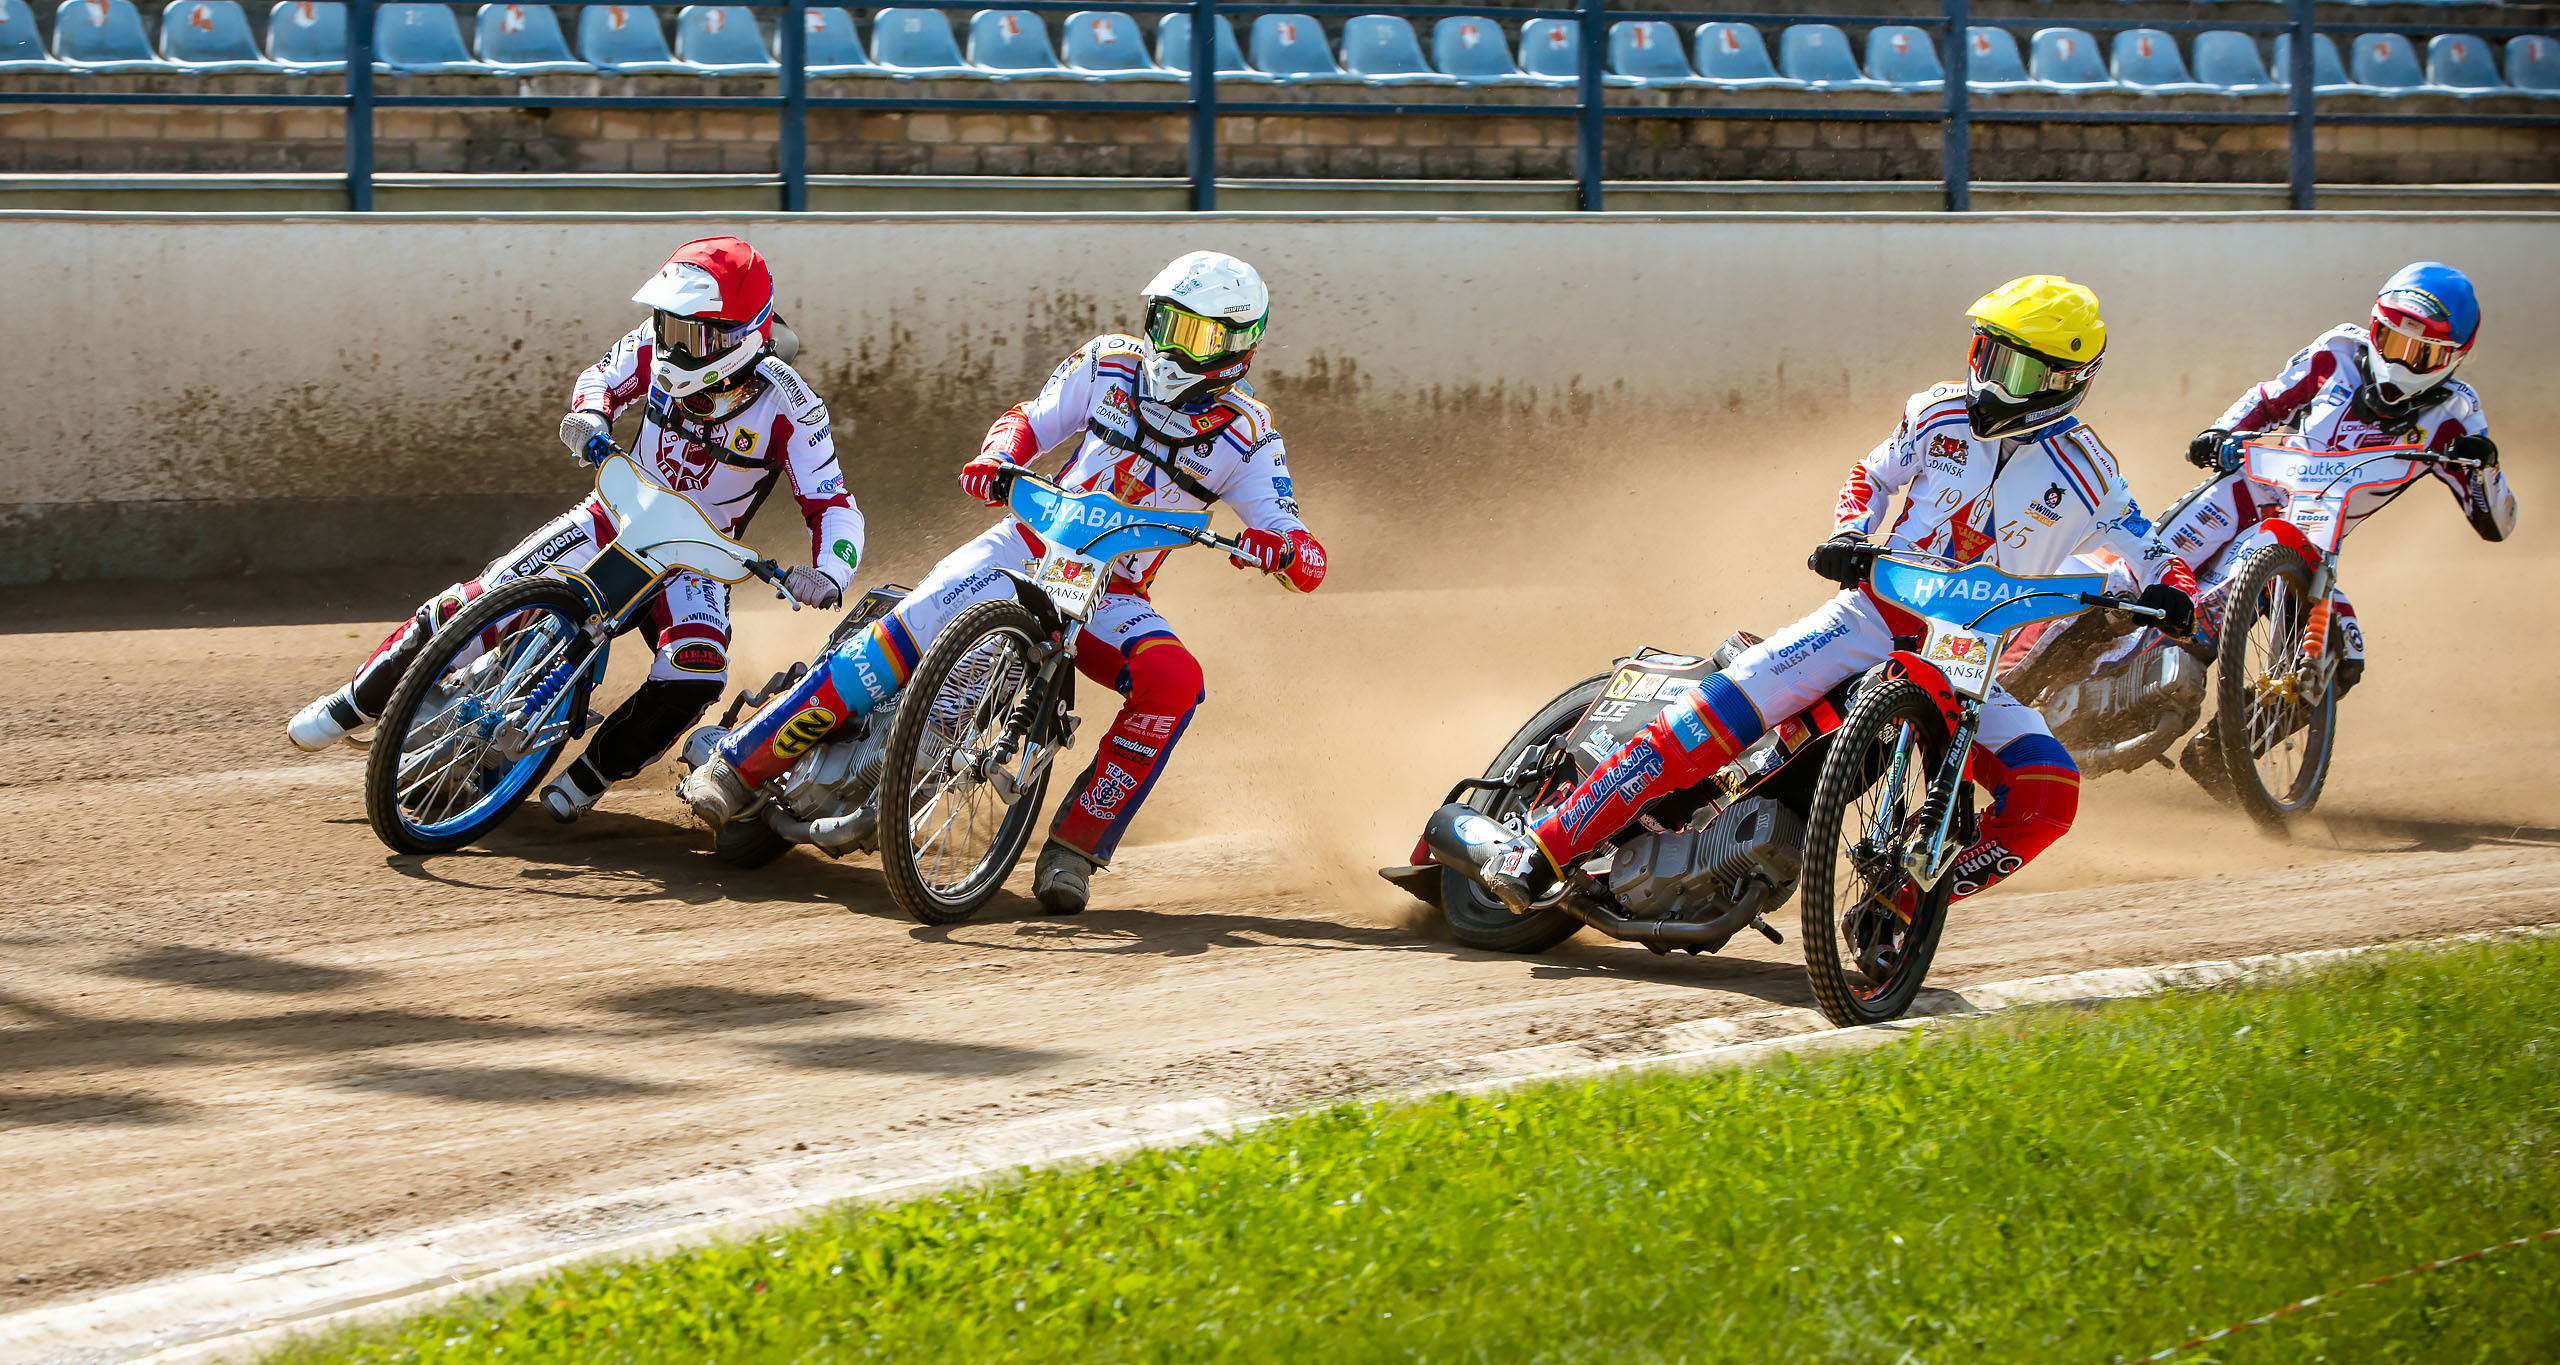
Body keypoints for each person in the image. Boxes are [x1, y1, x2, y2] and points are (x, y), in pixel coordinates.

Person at [1479, 274, 2197, 928]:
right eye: (1983, 351)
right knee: (1706, 721)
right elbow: (1870, 476)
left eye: (2009, 366)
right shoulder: (1936, 412)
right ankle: (1544, 844)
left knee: (2050, 792)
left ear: (2064, 382)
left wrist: (2176, 595)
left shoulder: (2092, 473)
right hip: (1867, 619)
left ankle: (1904, 894)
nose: (1985, 377)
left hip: (1966, 664)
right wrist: (1849, 531)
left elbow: (2154, 551)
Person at [679, 250, 1327, 915]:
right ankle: (736, 765)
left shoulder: (1250, 438)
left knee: (1176, 681)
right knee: (908, 626)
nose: (1168, 345)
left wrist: (1278, 549)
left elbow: (1301, 547)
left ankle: (1075, 848)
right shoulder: (1109, 362)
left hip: (1113, 593)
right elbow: (1032, 418)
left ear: (1238, 346)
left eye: (1194, 335)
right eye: (1164, 322)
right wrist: (999, 457)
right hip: (1026, 541)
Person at [284, 235, 862, 824]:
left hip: (696, 561)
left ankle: (591, 776)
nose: (671, 344)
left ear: (742, 334)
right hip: (610, 518)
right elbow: (601, 377)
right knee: (474, 603)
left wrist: (827, 573)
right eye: (666, 325)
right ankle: (355, 703)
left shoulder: (793, 405)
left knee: (697, 669)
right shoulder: (655, 349)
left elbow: (835, 507)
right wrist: (589, 415)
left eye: (690, 334)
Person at [2161, 262, 2513, 778]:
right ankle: (2028, 660)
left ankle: (2220, 756)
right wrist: (2220, 432)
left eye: (2424, 354)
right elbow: (2270, 397)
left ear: (2454, 359)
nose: (2403, 363)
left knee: (2340, 656)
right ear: (2373, 328)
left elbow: (2496, 523)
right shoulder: (2339, 351)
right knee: (2141, 574)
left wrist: (2486, 469)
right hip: (2243, 495)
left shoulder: (2456, 416)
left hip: (2310, 544)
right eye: (2391, 342)